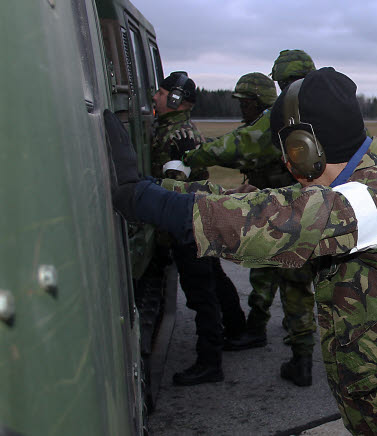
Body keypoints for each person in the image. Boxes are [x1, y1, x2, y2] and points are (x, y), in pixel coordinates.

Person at [110, 67, 377, 435]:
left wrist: (141, 199)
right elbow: (260, 202)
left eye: (288, 151)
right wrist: (167, 189)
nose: (289, 167)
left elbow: (272, 224)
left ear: (304, 148)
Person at [184, 55, 318, 387]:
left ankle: (301, 358)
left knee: (293, 285)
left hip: (289, 213)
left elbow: (240, 144)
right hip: (325, 211)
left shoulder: (283, 118)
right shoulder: (328, 111)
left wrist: (190, 157)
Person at [150, 71, 246, 386]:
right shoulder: (173, 131)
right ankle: (237, 329)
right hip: (195, 220)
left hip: (188, 223)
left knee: (200, 293)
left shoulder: (177, 136)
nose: (155, 97)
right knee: (213, 279)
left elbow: (177, 189)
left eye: (161, 93)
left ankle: (209, 361)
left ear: (175, 99)